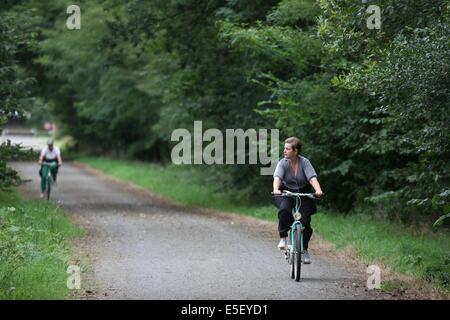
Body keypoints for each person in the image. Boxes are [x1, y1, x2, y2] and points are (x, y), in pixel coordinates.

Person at [273, 137, 323, 264]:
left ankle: (304, 249)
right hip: (286, 192)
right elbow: (277, 178)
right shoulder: (282, 163)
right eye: (284, 148)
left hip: (303, 192)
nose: (284, 151)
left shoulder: (305, 162)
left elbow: (312, 178)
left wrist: (318, 190)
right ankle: (283, 238)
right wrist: (276, 189)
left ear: (295, 151)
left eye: (287, 149)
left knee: (305, 221)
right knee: (284, 210)